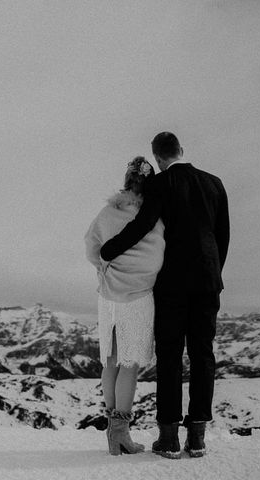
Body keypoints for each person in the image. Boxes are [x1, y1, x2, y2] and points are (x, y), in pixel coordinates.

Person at [100, 132, 230, 459]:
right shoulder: (215, 183)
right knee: (203, 355)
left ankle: (169, 438)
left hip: (172, 284)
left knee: (170, 357)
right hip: (208, 281)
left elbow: (142, 225)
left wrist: (110, 250)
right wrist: (213, 273)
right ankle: (197, 438)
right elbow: (222, 236)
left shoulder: (160, 185)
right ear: (182, 150)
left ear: (158, 158)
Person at [84, 156, 165, 455]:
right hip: (138, 295)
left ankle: (112, 433)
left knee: (111, 360)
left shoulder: (107, 212)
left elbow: (91, 246)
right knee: (129, 363)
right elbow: (158, 256)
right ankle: (121, 433)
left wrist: (106, 270)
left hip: (108, 295)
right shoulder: (153, 216)